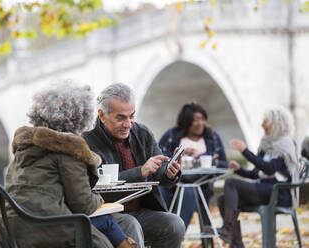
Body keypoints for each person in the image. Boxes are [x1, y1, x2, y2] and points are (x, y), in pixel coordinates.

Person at [5, 81, 136, 248]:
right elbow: (84, 205)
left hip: (14, 228)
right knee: (107, 223)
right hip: (47, 229)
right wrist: (99, 199)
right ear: (80, 117)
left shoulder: (26, 147)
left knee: (107, 222)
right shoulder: (67, 149)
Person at [82, 83, 186, 248]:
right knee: (130, 224)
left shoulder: (142, 133)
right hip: (106, 215)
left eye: (132, 116)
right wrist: (141, 171)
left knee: (174, 224)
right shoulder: (87, 141)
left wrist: (170, 174)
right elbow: (93, 186)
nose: (128, 124)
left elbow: (160, 176)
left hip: (141, 211)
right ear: (102, 115)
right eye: (121, 117)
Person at [217, 106, 299, 248]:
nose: (262, 125)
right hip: (264, 190)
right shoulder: (266, 143)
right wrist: (239, 170)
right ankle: (236, 244)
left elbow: (270, 168)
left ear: (276, 123)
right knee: (222, 199)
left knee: (230, 183)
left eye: (265, 121)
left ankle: (227, 229)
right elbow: (256, 173)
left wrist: (245, 151)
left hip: (279, 193)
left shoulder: (286, 143)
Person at [158, 102, 228, 232]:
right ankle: (160, 233)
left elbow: (224, 164)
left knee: (187, 190)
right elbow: (158, 157)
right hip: (171, 186)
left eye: (203, 119)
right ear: (186, 121)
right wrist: (179, 154)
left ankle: (176, 236)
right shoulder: (172, 135)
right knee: (157, 191)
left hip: (201, 186)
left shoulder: (212, 136)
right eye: (196, 120)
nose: (200, 123)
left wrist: (207, 162)